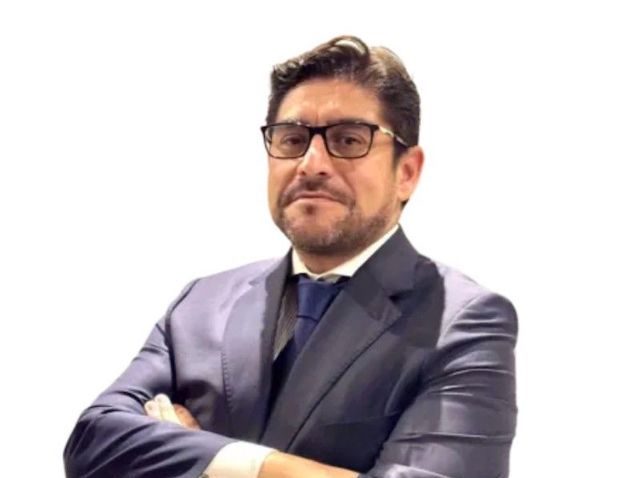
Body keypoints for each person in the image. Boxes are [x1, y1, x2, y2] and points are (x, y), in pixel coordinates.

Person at [64, 35, 518, 478]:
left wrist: (197, 461)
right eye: (292, 139)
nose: (311, 164)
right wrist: (259, 465)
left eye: (348, 140)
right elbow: (93, 443)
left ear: (407, 172)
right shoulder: (199, 305)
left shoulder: (462, 323)